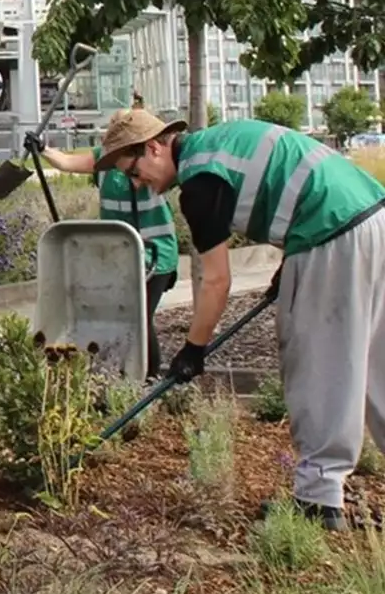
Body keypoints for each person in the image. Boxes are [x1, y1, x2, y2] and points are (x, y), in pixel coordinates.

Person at [93, 109, 385, 531]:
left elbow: (216, 282)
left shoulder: (199, 184)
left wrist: (192, 350)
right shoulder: (218, 145)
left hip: (330, 231)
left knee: (319, 360)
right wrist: (291, 263)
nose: (138, 184)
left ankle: (319, 501)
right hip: (372, 215)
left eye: (134, 171)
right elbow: (288, 179)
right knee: (377, 359)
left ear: (154, 147)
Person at [25, 130, 181, 377]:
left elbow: (147, 179)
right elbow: (67, 163)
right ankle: (121, 378)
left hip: (156, 255)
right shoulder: (104, 161)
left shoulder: (146, 161)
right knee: (118, 317)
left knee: (139, 317)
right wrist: (42, 148)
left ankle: (148, 380)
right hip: (120, 257)